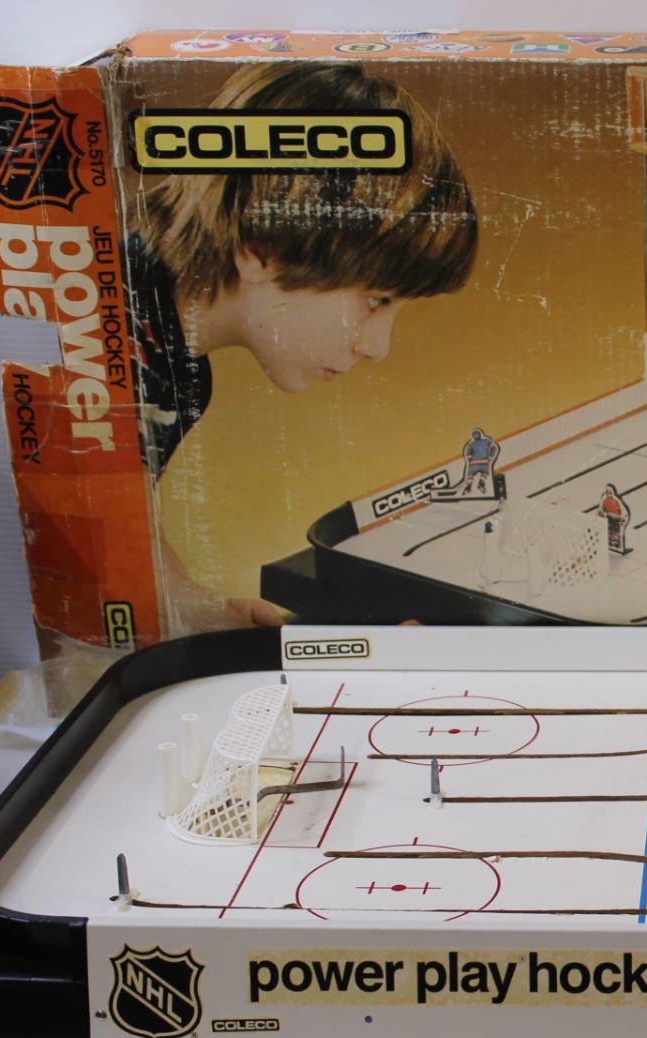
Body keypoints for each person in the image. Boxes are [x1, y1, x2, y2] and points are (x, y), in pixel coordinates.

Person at [130, 62, 479, 627]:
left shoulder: (177, 369)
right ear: (262, 249)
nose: (378, 347)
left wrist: (198, 615)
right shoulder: (111, 343)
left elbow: (121, 529)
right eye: (376, 300)